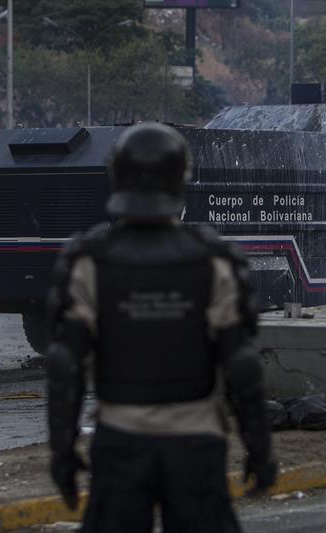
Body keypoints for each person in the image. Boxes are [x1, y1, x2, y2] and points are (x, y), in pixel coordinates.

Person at [46, 123, 275, 532]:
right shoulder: (214, 260)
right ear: (180, 179)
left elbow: (65, 363)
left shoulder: (89, 260)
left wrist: (62, 451)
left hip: (120, 441)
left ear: (117, 176)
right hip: (195, 443)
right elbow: (241, 364)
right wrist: (259, 448)